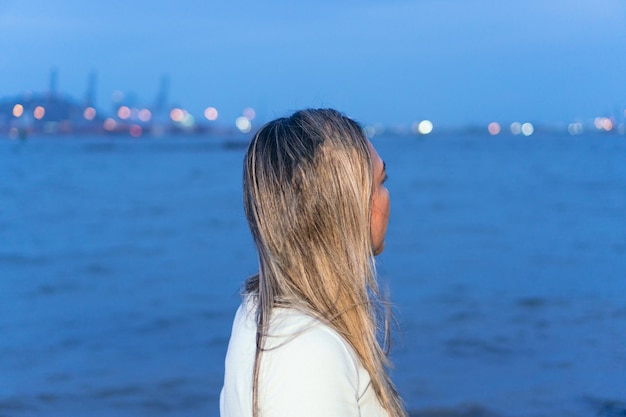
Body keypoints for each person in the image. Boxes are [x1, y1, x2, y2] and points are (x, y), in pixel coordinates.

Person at [220, 109, 406, 417]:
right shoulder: (306, 349)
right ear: (346, 204)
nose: (387, 196)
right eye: (380, 182)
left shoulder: (259, 312)